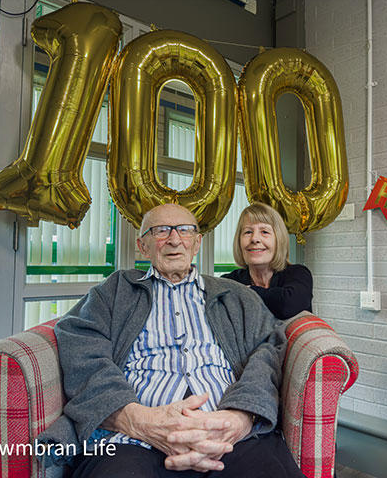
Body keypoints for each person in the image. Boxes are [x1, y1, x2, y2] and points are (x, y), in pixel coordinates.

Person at [36, 203, 305, 478]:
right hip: (133, 440)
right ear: (143, 246)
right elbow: (80, 342)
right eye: (161, 230)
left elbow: (268, 349)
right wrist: (137, 419)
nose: (175, 239)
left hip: (232, 435)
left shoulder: (237, 295)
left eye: (185, 231)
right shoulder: (113, 292)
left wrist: (241, 417)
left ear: (197, 243)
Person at [221, 202, 313, 320]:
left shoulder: (298, 274)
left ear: (278, 239)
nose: (254, 239)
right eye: (248, 232)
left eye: (264, 232)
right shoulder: (229, 281)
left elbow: (287, 306)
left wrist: (247, 291)